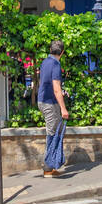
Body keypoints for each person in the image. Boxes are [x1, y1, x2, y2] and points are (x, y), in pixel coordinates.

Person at [37, 41, 68, 176]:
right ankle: (48, 169)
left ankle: (51, 166)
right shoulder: (55, 64)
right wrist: (63, 109)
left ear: (50, 50)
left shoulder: (45, 62)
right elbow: (56, 88)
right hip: (50, 103)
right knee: (52, 134)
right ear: (62, 52)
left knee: (54, 131)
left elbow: (45, 83)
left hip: (44, 100)